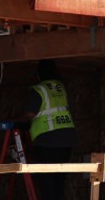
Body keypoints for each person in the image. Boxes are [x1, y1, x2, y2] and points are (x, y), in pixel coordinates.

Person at [23, 60, 77, 198]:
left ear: (38, 74)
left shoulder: (39, 89)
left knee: (47, 184)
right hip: (66, 140)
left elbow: (29, 114)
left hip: (47, 141)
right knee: (58, 182)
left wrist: (11, 120)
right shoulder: (60, 87)